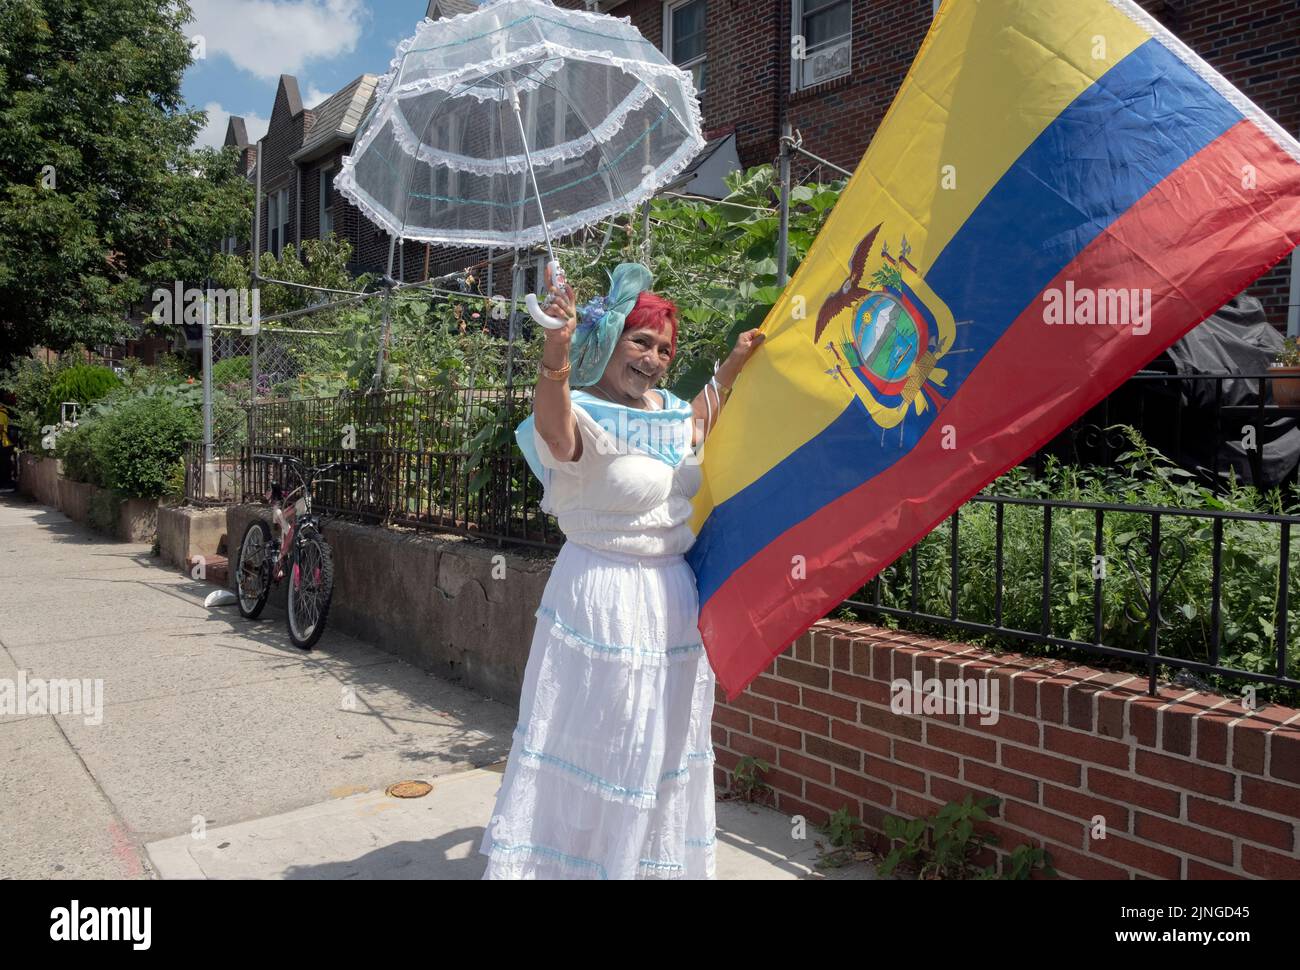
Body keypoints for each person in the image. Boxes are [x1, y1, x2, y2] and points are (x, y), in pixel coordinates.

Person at [478, 263, 764, 879]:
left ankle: (639, 865)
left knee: (660, 749)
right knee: (607, 745)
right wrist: (556, 344)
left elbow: (694, 426)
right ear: (607, 343)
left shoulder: (663, 409)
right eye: (641, 341)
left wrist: (735, 363)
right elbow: (554, 432)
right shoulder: (580, 412)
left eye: (665, 348)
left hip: (672, 603)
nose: (655, 358)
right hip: (603, 598)